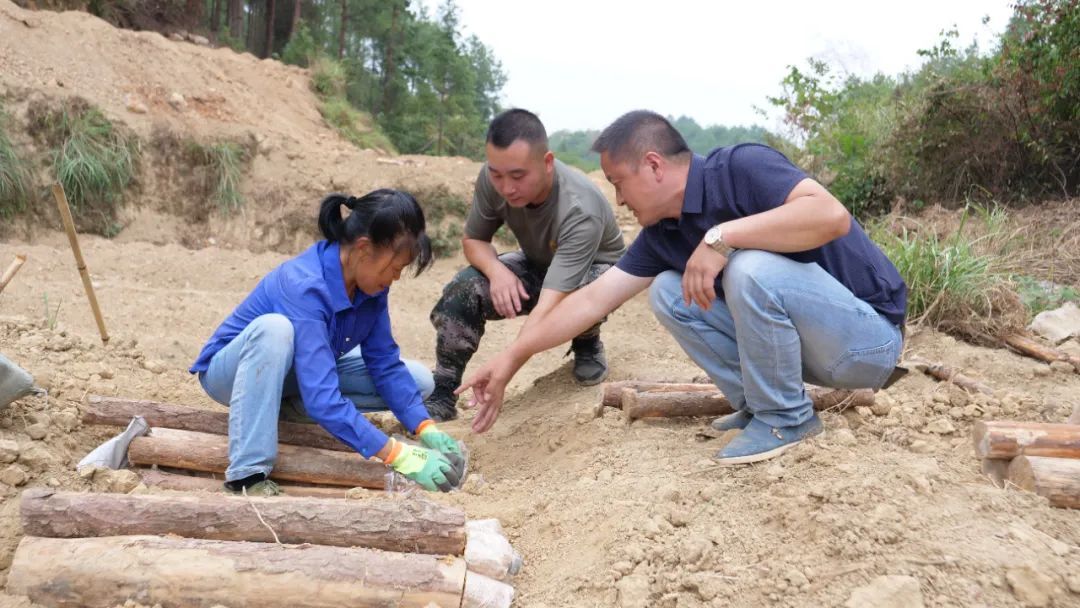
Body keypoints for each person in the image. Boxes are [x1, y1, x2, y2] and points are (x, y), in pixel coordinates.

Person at [457, 111, 907, 466]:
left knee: (745, 266)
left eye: (618, 183)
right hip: (813, 351)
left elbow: (831, 216)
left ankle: (785, 419)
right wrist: (510, 358)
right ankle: (759, 404)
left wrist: (721, 238)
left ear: (653, 165)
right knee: (668, 291)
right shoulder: (662, 234)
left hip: (868, 343)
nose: (618, 200)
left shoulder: (742, 168)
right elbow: (593, 299)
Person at [190, 189, 464, 494]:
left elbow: (384, 363)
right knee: (274, 330)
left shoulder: (370, 287)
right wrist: (397, 454)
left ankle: (286, 409)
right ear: (363, 249)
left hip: (297, 374)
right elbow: (323, 397)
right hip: (233, 373)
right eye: (395, 268)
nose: (396, 278)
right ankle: (248, 472)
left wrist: (424, 427)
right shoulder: (304, 285)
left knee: (419, 381)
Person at [423, 109, 626, 420]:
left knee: (581, 293)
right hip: (539, 261)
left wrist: (505, 369)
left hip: (593, 274)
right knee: (463, 289)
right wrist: (497, 272)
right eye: (497, 175)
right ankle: (444, 390)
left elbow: (549, 306)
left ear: (547, 163)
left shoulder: (579, 208)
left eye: (518, 176)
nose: (506, 187)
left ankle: (587, 340)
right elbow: (474, 240)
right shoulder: (495, 178)